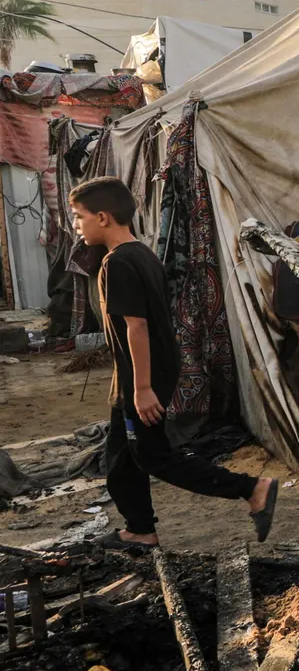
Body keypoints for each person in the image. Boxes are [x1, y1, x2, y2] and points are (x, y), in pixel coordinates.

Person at [69, 177, 278, 550]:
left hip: (143, 377)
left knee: (153, 456)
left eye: (79, 216)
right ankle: (140, 529)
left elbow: (137, 327)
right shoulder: (142, 254)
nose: (76, 225)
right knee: (120, 459)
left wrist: (142, 388)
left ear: (102, 217)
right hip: (141, 374)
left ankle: (251, 489)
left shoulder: (119, 263)